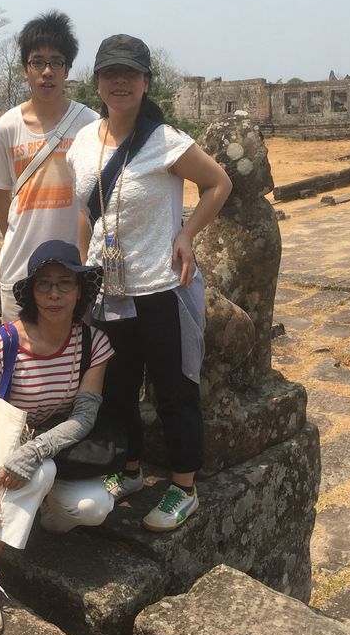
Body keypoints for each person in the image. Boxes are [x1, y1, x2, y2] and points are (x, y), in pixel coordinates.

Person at [67, 34, 231, 533]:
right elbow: (85, 212)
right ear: (97, 82)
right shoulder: (83, 142)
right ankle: (129, 471)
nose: (119, 81)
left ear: (144, 82)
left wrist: (186, 233)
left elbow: (219, 183)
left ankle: (184, 486)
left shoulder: (166, 140)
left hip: (160, 286)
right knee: (116, 389)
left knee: (173, 389)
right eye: (110, 73)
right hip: (107, 290)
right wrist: (82, 269)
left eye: (129, 73)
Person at [0, 240, 115, 635]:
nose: (54, 294)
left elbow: (84, 417)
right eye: (44, 284)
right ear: (31, 292)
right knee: (40, 473)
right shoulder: (5, 342)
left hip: (44, 447)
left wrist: (36, 449)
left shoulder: (93, 344)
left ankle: (31, 510)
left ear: (80, 290)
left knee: (96, 506)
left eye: (65, 283)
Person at [0, 12, 99, 323]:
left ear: (67, 69)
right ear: (26, 68)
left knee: (74, 350)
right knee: (21, 350)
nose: (47, 71)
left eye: (56, 62)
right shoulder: (5, 129)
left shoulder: (90, 124)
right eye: (38, 62)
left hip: (74, 271)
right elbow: (1, 199)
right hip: (19, 269)